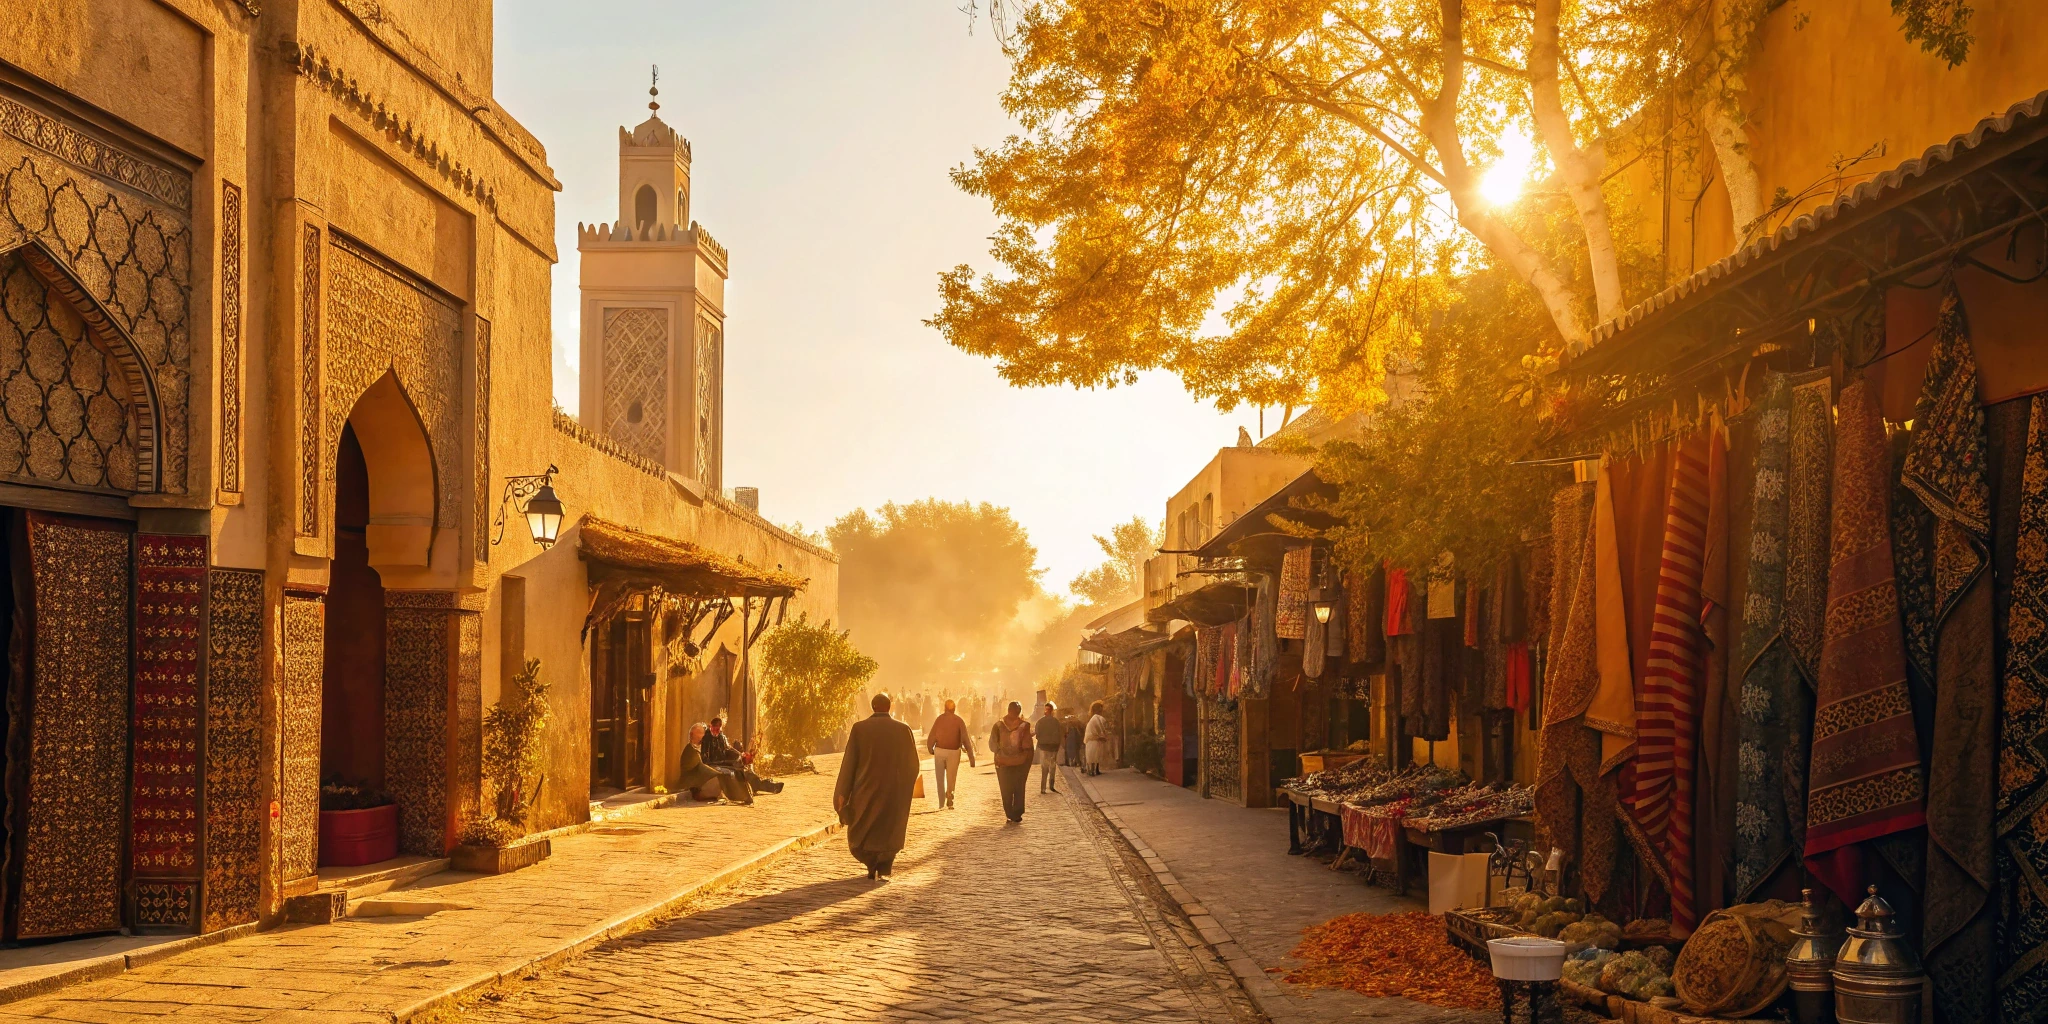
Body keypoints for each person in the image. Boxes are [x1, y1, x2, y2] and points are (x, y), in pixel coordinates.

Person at [834, 692, 919, 880]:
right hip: (893, 792)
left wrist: (842, 794)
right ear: (890, 707)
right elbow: (913, 765)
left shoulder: (859, 729)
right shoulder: (903, 729)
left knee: (863, 828)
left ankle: (871, 864)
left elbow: (849, 764)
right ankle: (883, 864)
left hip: (865, 790)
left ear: (873, 707)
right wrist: (904, 787)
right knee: (889, 827)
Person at [702, 718, 784, 795]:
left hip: (725, 762)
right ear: (711, 726)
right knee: (740, 771)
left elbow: (728, 748)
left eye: (717, 729)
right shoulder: (706, 738)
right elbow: (705, 758)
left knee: (745, 770)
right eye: (713, 728)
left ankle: (766, 785)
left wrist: (740, 754)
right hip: (716, 764)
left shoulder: (721, 737)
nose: (715, 731)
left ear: (720, 728)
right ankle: (762, 785)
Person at [679, 723, 752, 804]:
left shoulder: (703, 747)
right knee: (720, 778)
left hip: (703, 780)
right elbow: (701, 768)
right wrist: (717, 772)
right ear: (692, 735)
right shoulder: (690, 751)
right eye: (700, 734)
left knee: (732, 772)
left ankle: (744, 795)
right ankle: (738, 796)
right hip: (696, 788)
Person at [925, 697, 976, 809]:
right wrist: (971, 758)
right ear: (954, 709)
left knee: (939, 777)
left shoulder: (939, 719)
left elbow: (932, 735)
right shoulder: (959, 721)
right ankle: (950, 795)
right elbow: (965, 739)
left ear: (944, 708)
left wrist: (930, 748)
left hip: (939, 751)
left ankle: (941, 801)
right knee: (951, 776)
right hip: (954, 752)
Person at [989, 701, 1035, 822]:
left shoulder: (998, 725)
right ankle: (1017, 812)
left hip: (1002, 763)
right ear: (1019, 712)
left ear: (1008, 710)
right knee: (1019, 787)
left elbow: (992, 745)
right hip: (1020, 762)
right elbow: (1028, 747)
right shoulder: (1024, 726)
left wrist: (1000, 754)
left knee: (1005, 788)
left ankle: (1009, 812)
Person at [1034, 700, 1066, 794]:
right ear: (1052, 711)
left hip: (1044, 747)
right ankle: (1051, 785)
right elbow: (1060, 734)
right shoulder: (1056, 722)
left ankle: (1043, 788)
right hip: (1053, 748)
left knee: (1044, 768)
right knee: (1052, 767)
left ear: (1045, 710)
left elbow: (1037, 734)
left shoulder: (1040, 722)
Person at [1085, 701, 1111, 776]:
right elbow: (1101, 729)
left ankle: (1095, 770)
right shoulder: (1097, 718)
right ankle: (1092, 770)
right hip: (1093, 739)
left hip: (1094, 739)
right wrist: (1103, 736)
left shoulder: (1095, 718)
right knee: (1093, 755)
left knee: (1096, 755)